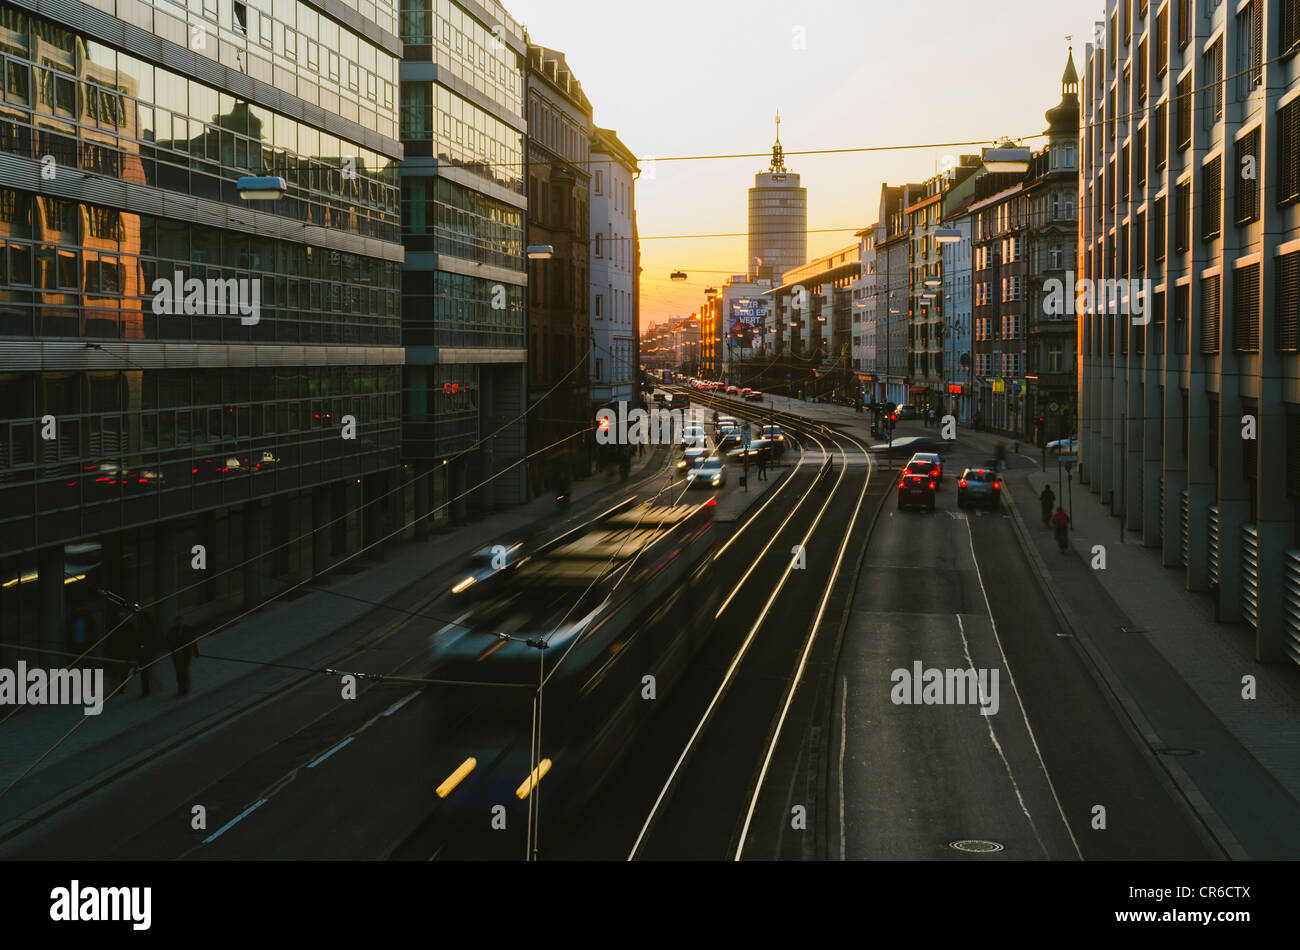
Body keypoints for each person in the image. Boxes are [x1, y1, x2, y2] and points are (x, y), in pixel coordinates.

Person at [165, 615, 199, 696]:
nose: (179, 622)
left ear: (183, 621)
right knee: (179, 672)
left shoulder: (188, 629)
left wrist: (195, 652)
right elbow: (168, 641)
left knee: (184, 670)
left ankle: (185, 688)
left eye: (180, 621)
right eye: (178, 621)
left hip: (186, 653)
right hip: (177, 655)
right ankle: (180, 689)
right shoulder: (172, 631)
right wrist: (174, 649)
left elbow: (193, 641)